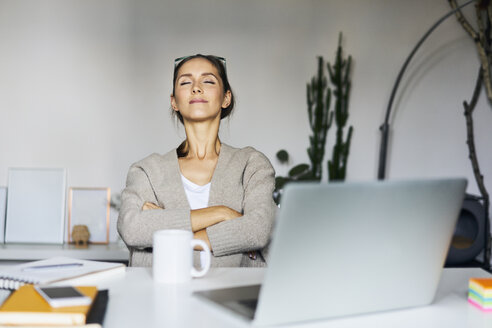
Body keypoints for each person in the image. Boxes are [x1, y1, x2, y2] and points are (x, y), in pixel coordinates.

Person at [117, 54, 277, 267]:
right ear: (174, 101)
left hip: (233, 295)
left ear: (226, 98)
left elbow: (258, 230)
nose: (196, 88)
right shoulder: (146, 170)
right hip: (159, 295)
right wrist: (223, 213)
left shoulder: (252, 165)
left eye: (208, 81)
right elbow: (133, 229)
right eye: (185, 82)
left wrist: (167, 228)